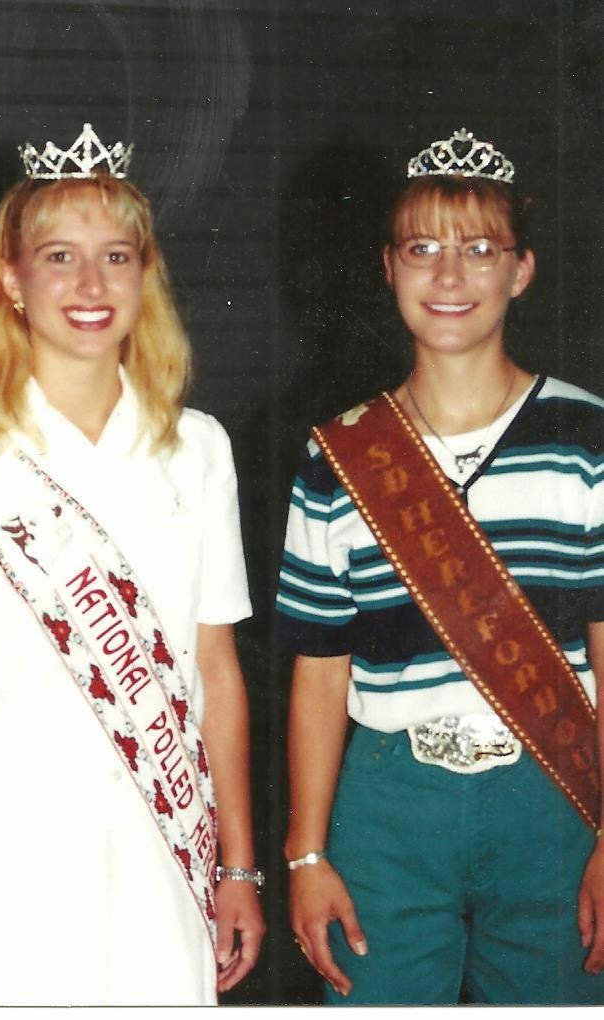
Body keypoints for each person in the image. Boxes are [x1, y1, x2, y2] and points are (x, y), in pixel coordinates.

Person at [0, 122, 264, 1006]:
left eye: (116, 257)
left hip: (160, 864)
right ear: (11, 281)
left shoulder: (198, 452)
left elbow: (218, 673)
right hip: (0, 881)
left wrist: (238, 866)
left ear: (145, 276)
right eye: (59, 257)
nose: (91, 286)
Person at [276, 127, 604, 1005]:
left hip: (554, 801)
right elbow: (317, 671)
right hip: (389, 808)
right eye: (422, 249)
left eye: (479, 249)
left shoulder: (587, 437)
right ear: (387, 268)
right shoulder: (338, 455)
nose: (449, 277)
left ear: (521, 270)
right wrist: (306, 853)